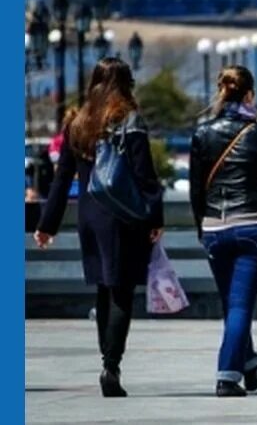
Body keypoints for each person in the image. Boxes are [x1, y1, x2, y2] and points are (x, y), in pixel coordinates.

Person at [34, 58, 164, 398]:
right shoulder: (129, 121)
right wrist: (155, 218)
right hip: (121, 216)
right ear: (126, 84)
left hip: (89, 217)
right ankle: (111, 365)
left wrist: (47, 225)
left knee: (104, 289)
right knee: (121, 291)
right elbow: (144, 174)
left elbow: (62, 179)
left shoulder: (77, 123)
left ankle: (107, 360)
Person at [190, 65, 257, 397]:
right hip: (251, 226)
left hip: (214, 228)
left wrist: (200, 226)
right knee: (240, 305)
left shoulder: (202, 133)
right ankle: (227, 375)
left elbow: (196, 189)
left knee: (232, 303)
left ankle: (249, 362)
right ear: (249, 94)